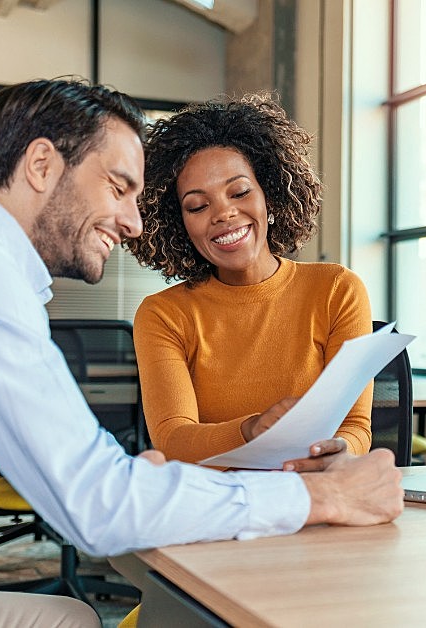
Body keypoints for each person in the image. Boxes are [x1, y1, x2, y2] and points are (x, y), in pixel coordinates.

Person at [0, 78, 403, 628]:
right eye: (119, 187)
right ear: (42, 166)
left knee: (71, 618)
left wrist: (138, 482)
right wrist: (323, 501)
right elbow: (96, 505)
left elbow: (93, 480)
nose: (135, 222)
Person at [125, 92, 373, 468]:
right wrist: (252, 430)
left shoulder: (337, 289)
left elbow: (356, 427)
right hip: (216, 505)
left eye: (239, 192)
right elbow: (173, 439)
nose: (224, 213)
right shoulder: (163, 314)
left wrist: (339, 451)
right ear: (180, 224)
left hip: (314, 494)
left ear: (269, 197)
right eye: (197, 205)